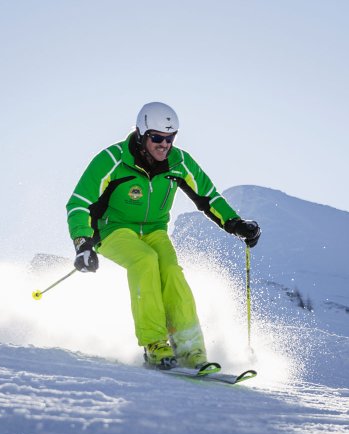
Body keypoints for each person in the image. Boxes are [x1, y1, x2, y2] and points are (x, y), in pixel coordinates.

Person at [65, 101, 261, 370]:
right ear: (141, 134)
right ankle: (155, 344)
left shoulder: (179, 162)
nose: (164, 145)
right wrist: (82, 242)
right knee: (145, 261)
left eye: (170, 138)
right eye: (157, 138)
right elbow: (79, 203)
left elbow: (208, 196)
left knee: (171, 271)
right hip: (112, 230)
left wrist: (235, 223)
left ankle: (190, 348)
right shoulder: (112, 160)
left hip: (155, 230)